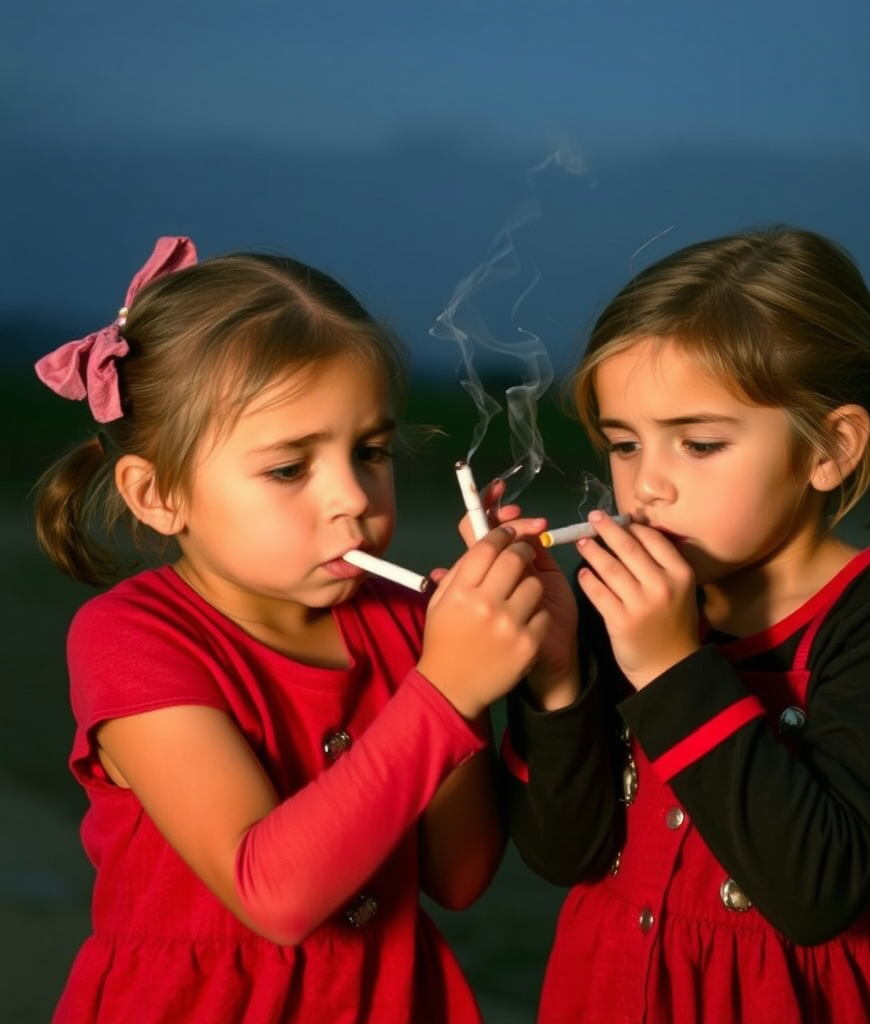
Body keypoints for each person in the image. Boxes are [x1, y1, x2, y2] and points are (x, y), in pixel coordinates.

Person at [33, 236, 550, 1024]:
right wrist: (444, 690)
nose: (352, 497)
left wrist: (475, 674)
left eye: (370, 450)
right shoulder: (133, 638)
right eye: (288, 468)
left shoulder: (403, 627)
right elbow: (270, 893)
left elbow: (459, 874)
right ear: (156, 494)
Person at [499, 225, 870, 1023]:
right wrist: (556, 678)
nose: (646, 485)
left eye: (697, 444)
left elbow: (814, 892)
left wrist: (669, 668)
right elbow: (563, 855)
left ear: (827, 449)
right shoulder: (612, 600)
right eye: (624, 444)